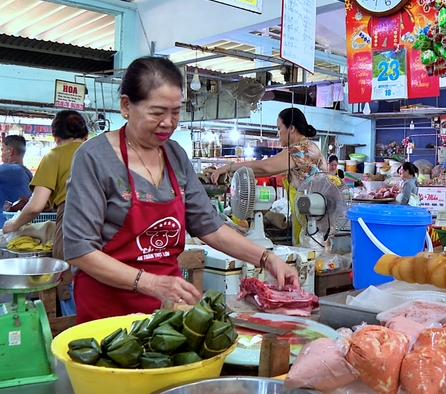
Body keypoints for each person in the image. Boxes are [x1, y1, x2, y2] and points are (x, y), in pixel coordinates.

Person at [62, 56, 299, 324]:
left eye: (176, 111)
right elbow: (80, 249)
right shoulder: (94, 158)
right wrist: (150, 283)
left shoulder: (175, 155)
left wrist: (267, 259)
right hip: (108, 312)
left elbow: (209, 226)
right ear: (126, 105)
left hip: (167, 312)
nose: (168, 122)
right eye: (157, 112)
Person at [3, 112, 88, 316]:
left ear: (55, 137)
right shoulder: (99, 152)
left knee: (70, 283)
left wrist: (13, 225)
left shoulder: (55, 155)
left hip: (73, 226)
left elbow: (35, 206)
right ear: (85, 135)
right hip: (110, 228)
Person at [211, 107, 325, 244]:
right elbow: (267, 171)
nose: (278, 134)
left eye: (279, 128)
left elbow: (266, 166)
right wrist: (229, 172)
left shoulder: (302, 149)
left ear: (291, 128)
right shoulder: (303, 148)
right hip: (307, 215)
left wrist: (228, 167)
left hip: (314, 219)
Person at [0, 135, 33, 226]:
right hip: (21, 224)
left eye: (2, 150)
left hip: (5, 225)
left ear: (10, 151)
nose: (1, 154)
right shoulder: (27, 172)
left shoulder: (9, 170)